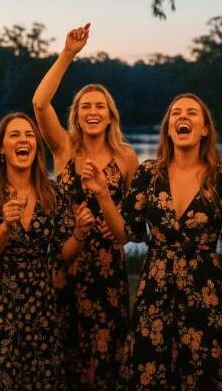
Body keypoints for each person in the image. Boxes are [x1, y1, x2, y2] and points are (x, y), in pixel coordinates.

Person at [92, 93, 222, 390]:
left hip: (204, 292)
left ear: (205, 129)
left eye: (192, 113)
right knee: (150, 375)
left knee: (203, 375)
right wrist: (103, 196)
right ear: (168, 128)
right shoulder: (148, 173)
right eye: (176, 113)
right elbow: (123, 233)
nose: (182, 117)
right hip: (155, 292)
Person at [32, 23, 138, 389]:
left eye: (100, 107)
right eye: (85, 107)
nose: (93, 112)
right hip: (66, 264)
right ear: (76, 115)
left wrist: (114, 218)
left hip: (108, 270)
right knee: (67, 358)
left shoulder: (127, 158)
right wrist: (67, 55)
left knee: (108, 361)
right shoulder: (63, 150)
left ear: (110, 115)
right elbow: (40, 103)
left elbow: (132, 222)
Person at [0, 113, 95, 391]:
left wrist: (80, 234)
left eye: (29, 135)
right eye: (14, 135)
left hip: (40, 304)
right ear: (1, 148)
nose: (23, 140)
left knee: (39, 379)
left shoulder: (53, 193)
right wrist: (5, 227)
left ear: (36, 147)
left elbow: (63, 255)